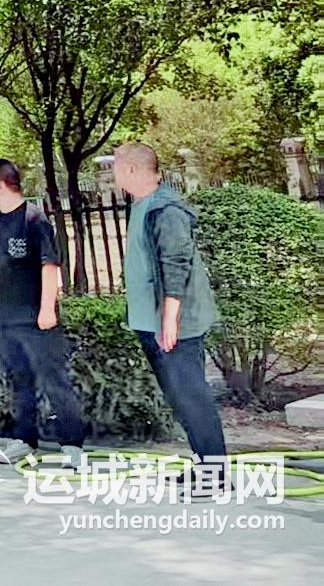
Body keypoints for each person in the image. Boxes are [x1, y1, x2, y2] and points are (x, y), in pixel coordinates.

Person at [113, 141, 226, 470]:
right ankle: (202, 464)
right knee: (179, 398)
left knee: (191, 397)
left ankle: (215, 473)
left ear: (131, 169)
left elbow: (176, 264)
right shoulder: (142, 205)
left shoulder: (166, 209)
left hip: (175, 325)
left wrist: (170, 318)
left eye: (116, 166)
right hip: (151, 321)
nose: (113, 172)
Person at [0, 158, 86, 465]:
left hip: (36, 319)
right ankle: (24, 439)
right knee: (18, 379)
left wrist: (48, 308)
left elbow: (49, 264)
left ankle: (72, 444)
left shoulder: (34, 219)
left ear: (0, 184)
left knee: (53, 379)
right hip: (6, 318)